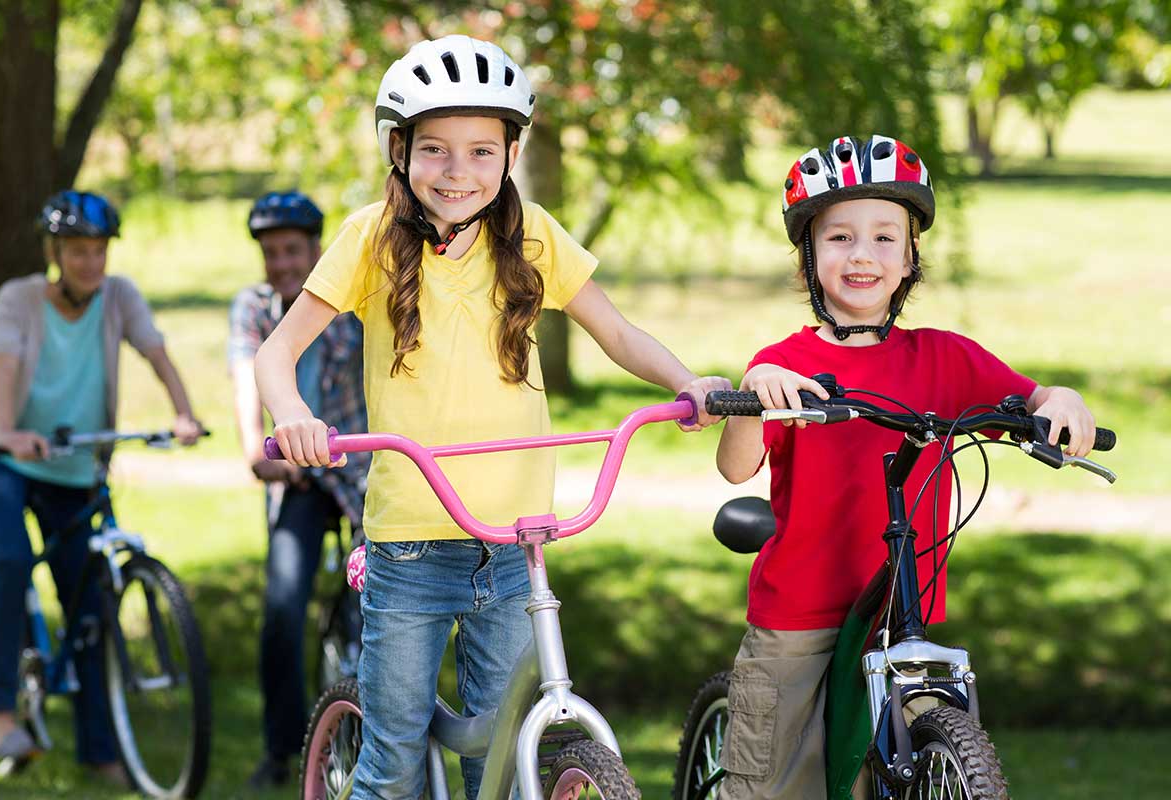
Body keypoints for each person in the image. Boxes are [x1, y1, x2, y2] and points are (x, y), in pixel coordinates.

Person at [255, 34, 731, 800]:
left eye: (482, 151)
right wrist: (295, 415)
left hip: (517, 542)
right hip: (410, 547)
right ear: (400, 151)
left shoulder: (533, 233)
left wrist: (688, 382)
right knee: (392, 767)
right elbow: (276, 354)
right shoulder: (368, 240)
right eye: (436, 150)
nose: (458, 171)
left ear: (511, 153)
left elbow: (615, 332)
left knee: (503, 766)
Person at [713, 135, 1097, 800]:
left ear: (911, 257)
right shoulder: (785, 362)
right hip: (798, 613)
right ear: (808, 258)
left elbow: (1034, 398)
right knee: (771, 782)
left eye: (885, 237)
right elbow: (734, 466)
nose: (862, 254)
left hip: (901, 612)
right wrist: (755, 394)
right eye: (839, 237)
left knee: (912, 767)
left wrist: (1062, 402)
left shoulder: (947, 359)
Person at [0, 190, 202, 779]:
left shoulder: (118, 297)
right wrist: (6, 432)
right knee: (14, 561)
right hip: (4, 462)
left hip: (74, 469)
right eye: (77, 251)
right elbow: (1, 368)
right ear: (55, 251)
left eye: (99, 251)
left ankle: (101, 750)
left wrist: (183, 412)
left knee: (91, 606)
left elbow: (156, 351)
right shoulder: (19, 299)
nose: (90, 263)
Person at [229, 190, 369, 787]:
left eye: (293, 250)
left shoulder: (349, 300)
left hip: (361, 465)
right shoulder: (255, 307)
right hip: (294, 473)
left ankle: (368, 741)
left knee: (380, 601)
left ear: (316, 248)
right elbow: (245, 373)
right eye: (271, 253)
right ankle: (282, 748)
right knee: (283, 607)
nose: (282, 264)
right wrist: (252, 448)